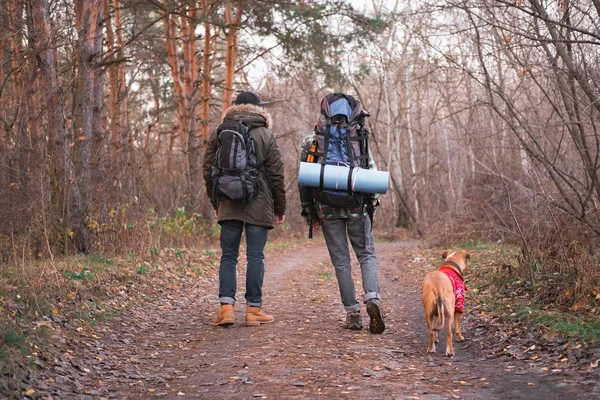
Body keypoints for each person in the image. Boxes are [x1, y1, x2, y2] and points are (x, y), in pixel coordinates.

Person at [298, 93, 385, 334]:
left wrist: (310, 214)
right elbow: (370, 169)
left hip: (326, 208)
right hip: (357, 205)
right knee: (366, 255)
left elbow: (304, 182)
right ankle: (373, 300)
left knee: (341, 261)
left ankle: (353, 314)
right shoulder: (359, 137)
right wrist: (372, 204)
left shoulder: (311, 141)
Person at [203, 90, 286, 327]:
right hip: (258, 204)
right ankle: (253, 310)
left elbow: (208, 170)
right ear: (259, 109)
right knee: (255, 256)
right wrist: (279, 207)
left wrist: (215, 202)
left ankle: (226, 309)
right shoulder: (265, 134)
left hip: (227, 201)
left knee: (228, 256)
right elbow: (276, 174)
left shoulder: (220, 132)